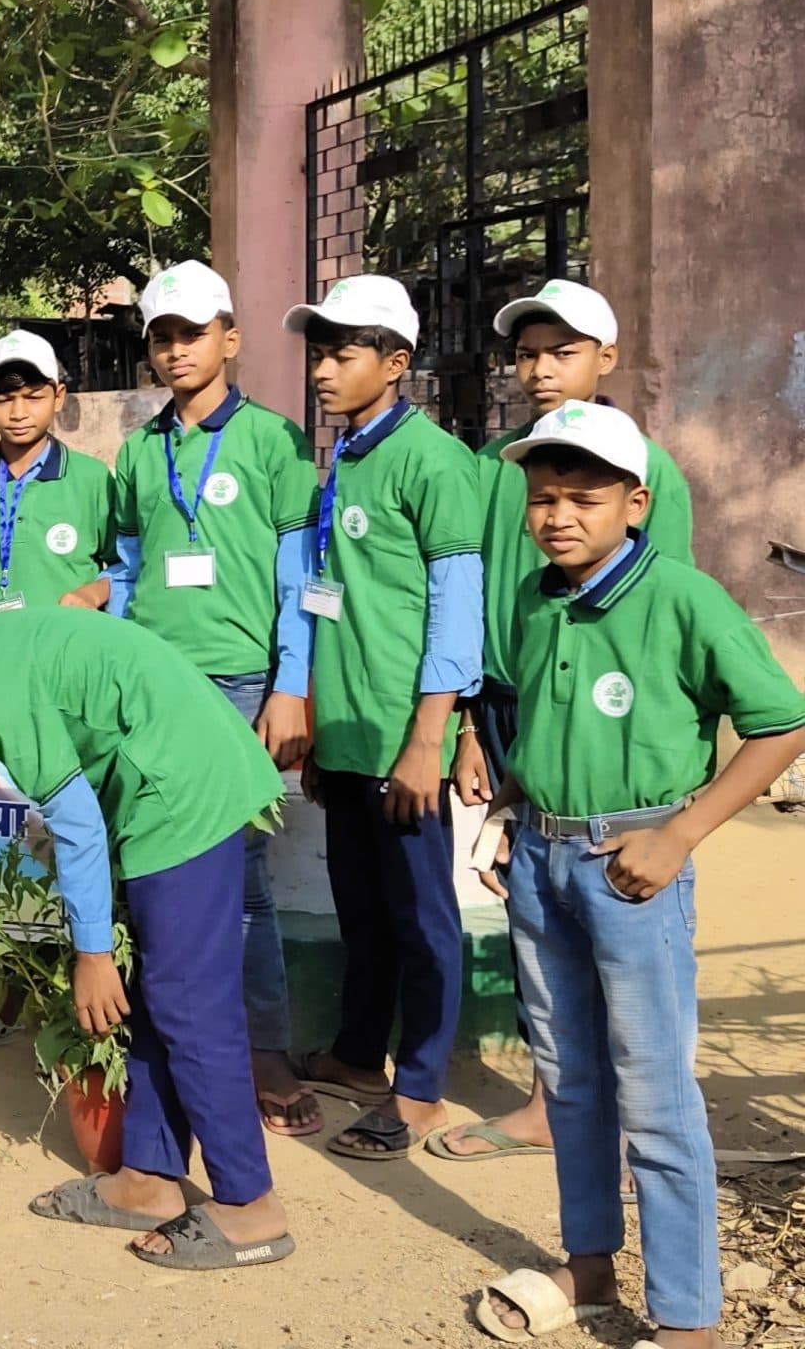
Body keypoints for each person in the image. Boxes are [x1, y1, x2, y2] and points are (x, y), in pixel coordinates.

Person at [467, 402, 805, 1349]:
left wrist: (681, 835)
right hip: (540, 861)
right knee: (568, 1081)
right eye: (542, 497)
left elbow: (781, 722)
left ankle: (688, 1318)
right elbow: (535, 723)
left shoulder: (682, 598)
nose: (558, 515)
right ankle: (587, 1271)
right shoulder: (534, 597)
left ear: (636, 501)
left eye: (582, 496)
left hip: (633, 870)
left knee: (653, 1096)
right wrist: (511, 823)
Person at [0, 601, 293, 1272]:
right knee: (162, 997)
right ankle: (149, 1179)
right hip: (175, 775)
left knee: (192, 1006)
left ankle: (252, 1207)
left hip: (183, 793)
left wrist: (92, 953)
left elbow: (76, 820)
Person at [433, 279, 697, 1164]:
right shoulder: (496, 463)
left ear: (606, 359)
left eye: (563, 352)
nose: (540, 371)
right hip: (514, 708)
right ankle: (559, 1096)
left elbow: (666, 617)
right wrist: (470, 721)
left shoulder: (643, 472)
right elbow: (471, 595)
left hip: (603, 723)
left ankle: (635, 1103)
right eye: (527, 354)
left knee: (616, 908)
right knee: (532, 902)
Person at [108, 261, 322, 1136]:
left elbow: (299, 575)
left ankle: (264, 1046)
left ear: (230, 338)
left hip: (240, 687)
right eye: (161, 336)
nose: (175, 349)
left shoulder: (276, 442)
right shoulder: (134, 450)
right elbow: (123, 573)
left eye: (191, 332)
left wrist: (292, 686)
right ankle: (157, 1043)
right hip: (155, 688)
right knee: (149, 868)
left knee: (241, 875)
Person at [281, 277, 484, 1160]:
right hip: (352, 732)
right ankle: (361, 1057)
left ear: (395, 363)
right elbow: (331, 604)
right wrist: (325, 727)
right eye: (318, 352)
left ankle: (426, 1088)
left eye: (343, 352)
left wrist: (431, 736)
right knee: (362, 909)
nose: (323, 370)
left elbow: (456, 608)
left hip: (408, 741)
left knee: (424, 920)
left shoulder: (434, 461)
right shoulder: (347, 460)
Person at [0, 330, 116, 614]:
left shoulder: (92, 479)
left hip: (69, 643)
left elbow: (122, 563)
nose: (19, 412)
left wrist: (93, 593)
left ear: (58, 397)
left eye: (34, 397)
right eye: (3, 399)